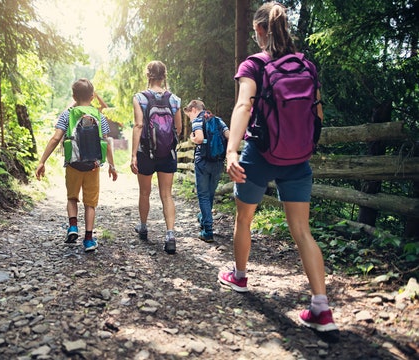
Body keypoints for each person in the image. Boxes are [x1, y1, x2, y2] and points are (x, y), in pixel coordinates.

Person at [218, 2, 339, 333]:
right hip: (297, 159)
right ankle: (321, 309)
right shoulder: (306, 66)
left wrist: (232, 150)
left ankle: (240, 278)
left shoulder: (254, 65)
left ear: (259, 31)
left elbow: (244, 104)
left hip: (260, 155)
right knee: (302, 231)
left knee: (244, 219)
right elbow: (318, 114)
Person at [35, 78, 118, 252]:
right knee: (90, 204)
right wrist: (111, 165)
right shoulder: (100, 116)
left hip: (73, 164)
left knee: (72, 198)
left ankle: (73, 227)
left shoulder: (67, 114)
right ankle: (88, 240)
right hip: (93, 166)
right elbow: (106, 142)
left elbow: (56, 138)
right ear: (93, 97)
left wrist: (42, 161)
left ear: (73, 95)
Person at [130, 60, 182, 254]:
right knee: (166, 194)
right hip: (167, 152)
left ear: (148, 75)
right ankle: (170, 235)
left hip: (145, 152)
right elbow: (178, 128)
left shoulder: (140, 98)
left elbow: (138, 126)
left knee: (144, 192)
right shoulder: (174, 99)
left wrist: (134, 154)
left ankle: (143, 227)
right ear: (164, 76)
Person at [184, 100, 230, 242]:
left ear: (193, 109)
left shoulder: (197, 120)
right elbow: (229, 135)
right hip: (217, 162)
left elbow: (199, 138)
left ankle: (208, 231)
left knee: (203, 196)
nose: (190, 118)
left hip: (203, 162)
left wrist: (192, 138)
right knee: (209, 194)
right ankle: (204, 219)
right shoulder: (217, 120)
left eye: (188, 115)